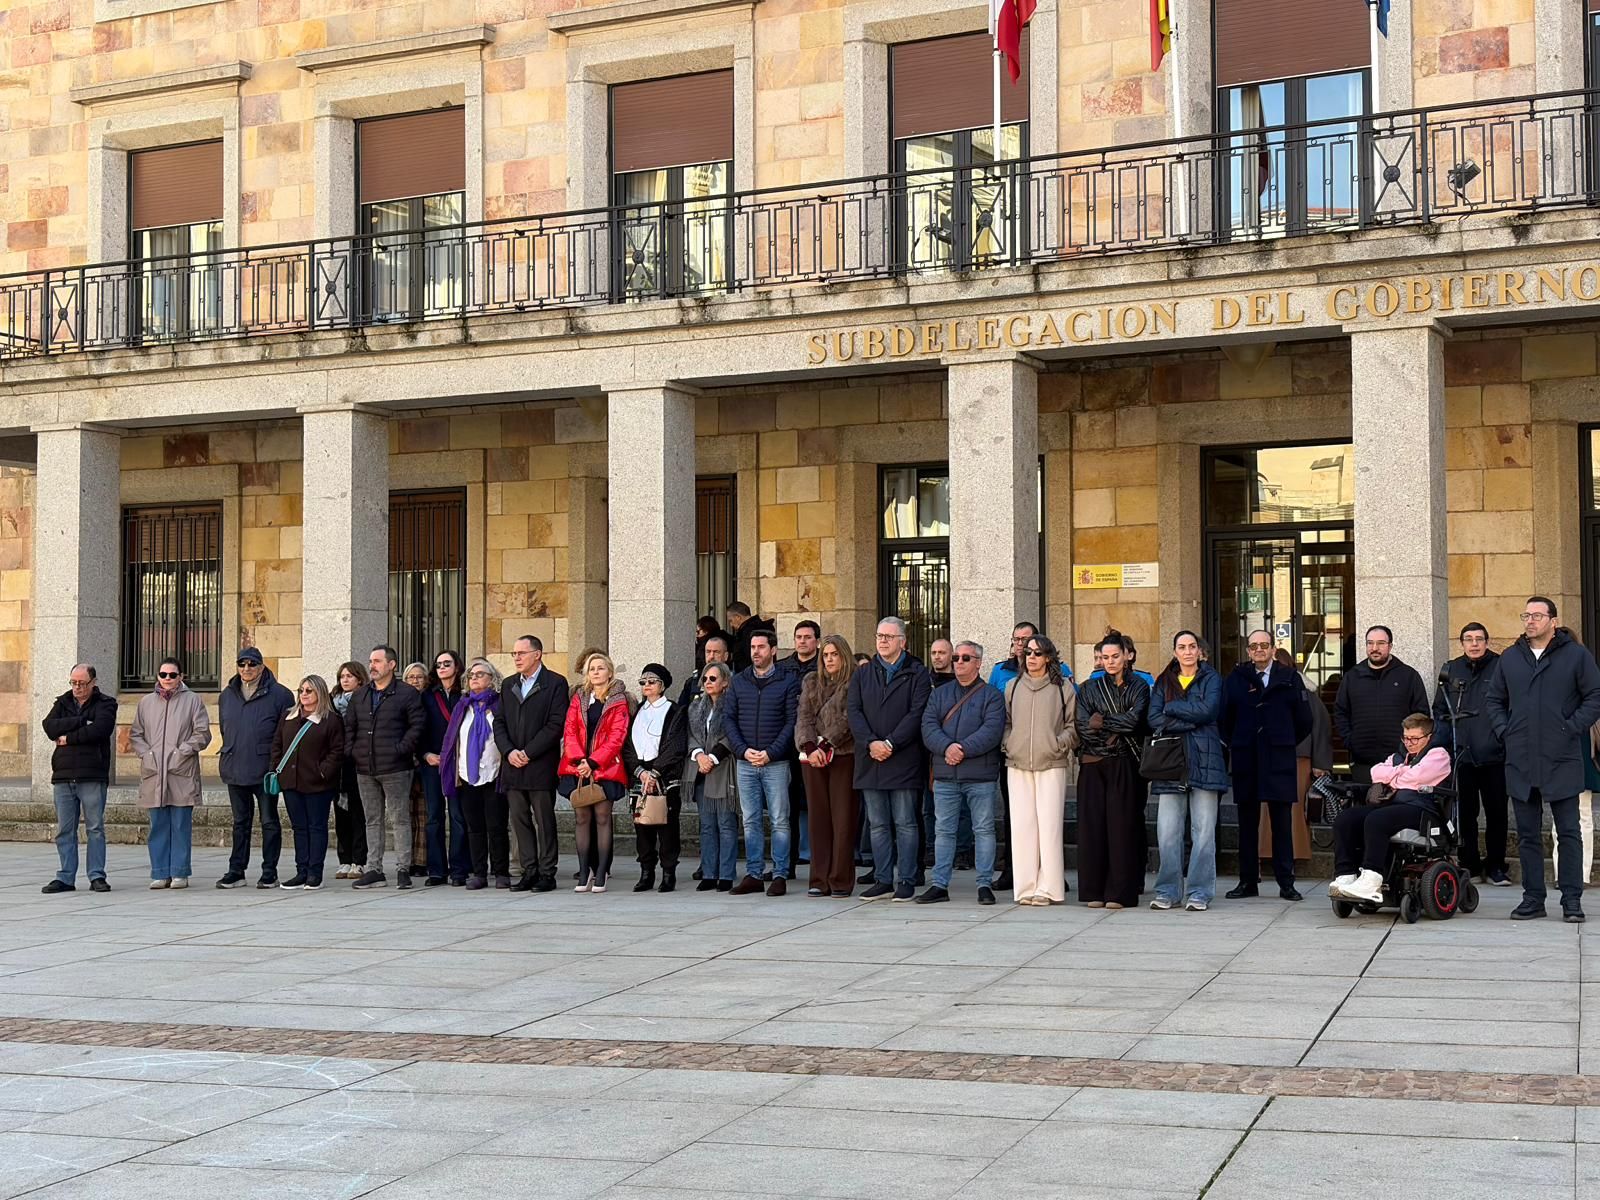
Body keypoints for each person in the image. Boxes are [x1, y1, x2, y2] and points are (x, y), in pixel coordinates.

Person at [1486, 597, 1600, 922]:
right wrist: (1505, 731)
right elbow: (1494, 698)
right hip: (1520, 758)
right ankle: (1533, 899)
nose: (1531, 621)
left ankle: (1572, 900)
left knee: (1569, 831)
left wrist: (1572, 727)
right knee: (1527, 834)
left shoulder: (1576, 655)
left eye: (1538, 615)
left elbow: (1595, 696)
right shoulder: (1510, 658)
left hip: (1561, 756)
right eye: (1527, 615)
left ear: (1553, 620)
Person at [1221, 632, 1313, 901]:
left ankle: (1286, 883)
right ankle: (1248, 882)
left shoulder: (1289, 678)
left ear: (1273, 648)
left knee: (1282, 824)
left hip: (1279, 757)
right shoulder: (1236, 678)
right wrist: (1239, 741)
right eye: (1254, 646)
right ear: (1248, 651)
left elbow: (1304, 721)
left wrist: (1283, 740)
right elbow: (1224, 718)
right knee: (1247, 823)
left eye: (1264, 645)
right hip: (1246, 757)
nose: (1259, 650)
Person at [849, 616, 932, 901]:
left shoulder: (917, 673)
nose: (882, 641)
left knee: (906, 822)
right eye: (879, 636)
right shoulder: (862, 674)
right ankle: (883, 879)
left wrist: (891, 743)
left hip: (903, 758)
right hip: (870, 758)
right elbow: (854, 712)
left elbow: (917, 713)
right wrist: (871, 742)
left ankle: (906, 879)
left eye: (888, 636)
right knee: (878, 823)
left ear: (902, 642)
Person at [1330, 714, 1452, 903]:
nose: (1409, 743)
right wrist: (1402, 773)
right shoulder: (1398, 756)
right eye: (1405, 738)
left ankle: (1372, 879)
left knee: (1378, 820)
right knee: (1346, 819)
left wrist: (1392, 778)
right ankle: (1345, 875)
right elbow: (1375, 772)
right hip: (1393, 806)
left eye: (1415, 738)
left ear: (1428, 736)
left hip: (1421, 809)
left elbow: (1417, 779)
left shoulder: (1438, 755)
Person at [919, 639, 1005, 905]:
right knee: (943, 830)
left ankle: (984, 885)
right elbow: (928, 726)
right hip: (946, 774)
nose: (958, 662)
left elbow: (991, 732)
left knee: (983, 830)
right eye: (956, 658)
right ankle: (940, 885)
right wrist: (947, 747)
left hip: (979, 775)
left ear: (978, 663)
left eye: (965, 658)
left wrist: (961, 749)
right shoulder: (939, 694)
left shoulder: (992, 696)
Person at [1148, 632, 1228, 912]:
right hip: (1170, 764)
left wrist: (1173, 709)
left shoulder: (1212, 679)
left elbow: (1208, 711)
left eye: (1192, 647)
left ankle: (1199, 892)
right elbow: (1153, 718)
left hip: (1206, 762)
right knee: (1167, 833)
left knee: (1203, 832)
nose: (1187, 652)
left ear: (1200, 652)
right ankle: (1168, 891)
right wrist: (1187, 720)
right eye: (1181, 647)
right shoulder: (1163, 681)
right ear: (1174, 652)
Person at [724, 627, 801, 897]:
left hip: (776, 762)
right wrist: (743, 751)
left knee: (780, 819)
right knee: (751, 820)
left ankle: (780, 874)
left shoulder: (787, 681)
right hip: (745, 762)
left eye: (761, 647)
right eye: (753, 647)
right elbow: (729, 719)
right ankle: (754, 874)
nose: (756, 652)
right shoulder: (739, 680)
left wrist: (770, 752)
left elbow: (792, 722)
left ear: (773, 651)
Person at [1075, 633, 1150, 910]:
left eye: (1115, 656)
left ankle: (1120, 892)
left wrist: (1102, 721)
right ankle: (1093, 889)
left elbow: (1134, 722)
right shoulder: (1088, 688)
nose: (1109, 662)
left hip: (1125, 762)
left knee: (1122, 827)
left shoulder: (1140, 686)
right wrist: (1108, 729)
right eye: (1104, 657)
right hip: (1094, 762)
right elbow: (1083, 725)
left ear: (1127, 655)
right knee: (1092, 826)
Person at [1432, 624, 1509, 886]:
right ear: (1461, 642)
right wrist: (1443, 751)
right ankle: (1470, 864)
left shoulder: (1501, 667)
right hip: (1461, 756)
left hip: (1494, 755)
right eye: (1469, 639)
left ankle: (1497, 866)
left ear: (1487, 642)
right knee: (1465, 814)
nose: (1474, 644)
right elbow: (1440, 711)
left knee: (1497, 813)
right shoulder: (1451, 669)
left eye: (1479, 639)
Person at [343, 645, 426, 890]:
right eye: (371, 661)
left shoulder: (406, 693)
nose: (372, 666)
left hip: (396, 767)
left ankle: (403, 869)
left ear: (392, 665)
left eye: (378, 661)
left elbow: (417, 726)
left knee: (399, 818)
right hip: (365, 768)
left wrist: (401, 749)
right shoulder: (361, 695)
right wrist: (353, 752)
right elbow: (350, 727)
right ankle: (374, 869)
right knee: (372, 820)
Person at [496, 634, 570, 893]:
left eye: (521, 653)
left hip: (540, 764)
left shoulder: (556, 684)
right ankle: (529, 870)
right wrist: (509, 751)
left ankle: (547, 873)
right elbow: (499, 722)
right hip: (513, 765)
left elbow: (555, 724)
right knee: (519, 820)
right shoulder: (507, 684)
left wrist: (528, 752)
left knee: (544, 820)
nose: (516, 658)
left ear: (537, 654)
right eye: (514, 654)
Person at [215, 647, 293, 890]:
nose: (246, 669)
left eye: (252, 664)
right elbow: (225, 730)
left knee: (269, 821)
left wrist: (277, 764)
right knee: (240, 822)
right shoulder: (227, 694)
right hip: (235, 766)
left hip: (265, 769)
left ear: (261, 666)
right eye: (242, 664)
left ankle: (269, 871)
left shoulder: (281, 695)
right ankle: (236, 870)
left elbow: (285, 734)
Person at [129, 658, 210, 890]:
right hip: (154, 771)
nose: (167, 679)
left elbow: (203, 733)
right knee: (158, 825)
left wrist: (182, 751)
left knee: (180, 824)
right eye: (163, 674)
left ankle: (180, 872)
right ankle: (160, 872)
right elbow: (136, 734)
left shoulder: (193, 701)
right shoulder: (145, 702)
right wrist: (147, 754)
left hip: (181, 770)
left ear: (181, 676)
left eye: (172, 675)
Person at [41, 663, 118, 894]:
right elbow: (49, 727)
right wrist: (80, 722)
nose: (77, 687)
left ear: (93, 683)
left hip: (92, 774)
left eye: (82, 683)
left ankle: (96, 875)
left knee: (95, 828)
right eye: (73, 682)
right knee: (65, 829)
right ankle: (65, 877)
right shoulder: (62, 702)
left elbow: (100, 730)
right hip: (63, 776)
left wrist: (68, 738)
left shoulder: (106, 703)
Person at [559, 651, 631, 892]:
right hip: (577, 766)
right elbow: (569, 731)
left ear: (609, 672)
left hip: (605, 767)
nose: (596, 672)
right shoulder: (578, 699)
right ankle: (584, 872)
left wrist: (593, 762)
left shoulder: (619, 701)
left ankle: (601, 872)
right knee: (581, 819)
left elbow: (616, 737)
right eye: (592, 669)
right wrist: (580, 760)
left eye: (601, 668)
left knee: (602, 819)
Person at [797, 634, 860, 898]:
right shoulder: (811, 681)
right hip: (813, 760)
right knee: (818, 820)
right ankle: (819, 878)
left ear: (844, 656)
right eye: (826, 655)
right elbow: (803, 717)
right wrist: (810, 747)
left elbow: (848, 718)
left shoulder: (855, 681)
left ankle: (840, 880)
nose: (830, 659)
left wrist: (827, 745)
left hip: (843, 755)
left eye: (834, 654)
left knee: (843, 819)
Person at [270, 674, 346, 889]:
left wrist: (323, 772)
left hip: (318, 784)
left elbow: (337, 750)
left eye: (309, 690)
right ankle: (301, 871)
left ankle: (315, 872)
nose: (303, 694)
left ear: (319, 693)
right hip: (291, 782)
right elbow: (277, 745)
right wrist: (277, 768)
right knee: (299, 828)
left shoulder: (330, 719)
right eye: (301, 690)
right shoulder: (288, 716)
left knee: (316, 827)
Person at [441, 658, 508, 890]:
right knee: (474, 827)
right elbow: (452, 740)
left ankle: (501, 872)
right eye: (471, 675)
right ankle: (479, 872)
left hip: (495, 773)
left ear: (492, 679)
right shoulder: (463, 706)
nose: (475, 678)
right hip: (467, 775)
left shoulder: (500, 704)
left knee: (497, 826)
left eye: (480, 674)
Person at [1335, 626, 1430, 783]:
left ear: (1390, 646)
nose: (1374, 648)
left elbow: (1422, 715)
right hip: (1362, 761)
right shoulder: (1352, 677)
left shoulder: (1408, 676)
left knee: (1396, 806)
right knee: (1364, 804)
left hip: (1400, 760)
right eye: (1370, 643)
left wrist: (1410, 744)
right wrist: (1351, 740)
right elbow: (1340, 712)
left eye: (1380, 643)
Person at [624, 663, 687, 893]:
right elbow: (627, 745)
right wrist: (639, 771)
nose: (646, 686)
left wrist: (656, 772)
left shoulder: (674, 710)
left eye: (651, 682)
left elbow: (676, 745)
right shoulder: (637, 711)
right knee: (642, 825)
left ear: (662, 685)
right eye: (643, 682)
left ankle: (668, 872)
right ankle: (646, 872)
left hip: (664, 774)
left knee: (667, 825)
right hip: (640, 772)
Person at [685, 661, 739, 891]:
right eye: (705, 679)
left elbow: (733, 734)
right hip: (700, 769)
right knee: (706, 825)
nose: (707, 682)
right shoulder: (695, 707)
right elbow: (689, 734)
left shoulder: (733, 706)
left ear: (725, 681)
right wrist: (699, 756)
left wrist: (713, 757)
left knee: (726, 824)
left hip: (723, 768)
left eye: (713, 679)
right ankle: (709, 873)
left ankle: (726, 874)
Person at [1275, 648, 1329, 868]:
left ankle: (1294, 856)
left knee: (1295, 809)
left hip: (1299, 758)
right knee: (1266, 811)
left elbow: (1320, 728)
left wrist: (1320, 763)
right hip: (1270, 758)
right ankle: (1267, 854)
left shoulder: (1307, 694)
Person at [418, 650, 466, 887]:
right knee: (434, 816)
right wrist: (425, 754)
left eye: (447, 663)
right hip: (432, 762)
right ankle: (436, 869)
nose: (443, 668)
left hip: (459, 763)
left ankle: (459, 869)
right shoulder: (427, 696)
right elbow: (419, 728)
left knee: (458, 816)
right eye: (438, 665)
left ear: (457, 666)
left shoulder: (465, 694)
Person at [783, 620, 821, 867]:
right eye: (799, 636)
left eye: (808, 637)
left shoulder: (825, 665)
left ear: (817, 640)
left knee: (815, 801)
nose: (802, 641)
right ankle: (790, 858)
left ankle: (816, 853)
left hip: (816, 744)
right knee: (788, 803)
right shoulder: (782, 668)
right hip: (786, 744)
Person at [330, 661, 369, 880]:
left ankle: (359, 860)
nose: (345, 680)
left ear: (359, 679)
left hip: (358, 763)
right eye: (342, 676)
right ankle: (344, 859)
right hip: (338, 765)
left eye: (350, 676)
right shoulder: (332, 703)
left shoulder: (364, 700)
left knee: (358, 813)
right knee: (341, 814)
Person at [401, 662, 430, 874]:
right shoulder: (399, 702)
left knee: (424, 813)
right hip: (403, 762)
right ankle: (407, 859)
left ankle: (422, 861)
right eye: (411, 677)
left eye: (419, 677)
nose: (415, 681)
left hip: (426, 762)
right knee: (405, 814)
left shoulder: (429, 700)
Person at [989, 622, 1040, 696]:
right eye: (1016, 639)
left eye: (1024, 639)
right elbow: (990, 700)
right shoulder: (999, 670)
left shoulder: (1056, 667)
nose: (1019, 643)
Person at [679, 635, 730, 709]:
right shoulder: (693, 682)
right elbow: (681, 712)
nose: (711, 656)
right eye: (708, 652)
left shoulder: (736, 682)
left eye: (716, 652)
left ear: (726, 656)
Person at [726, 601, 776, 674]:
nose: (731, 625)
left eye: (731, 621)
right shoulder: (763, 629)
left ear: (738, 617)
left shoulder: (748, 633)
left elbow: (751, 659)